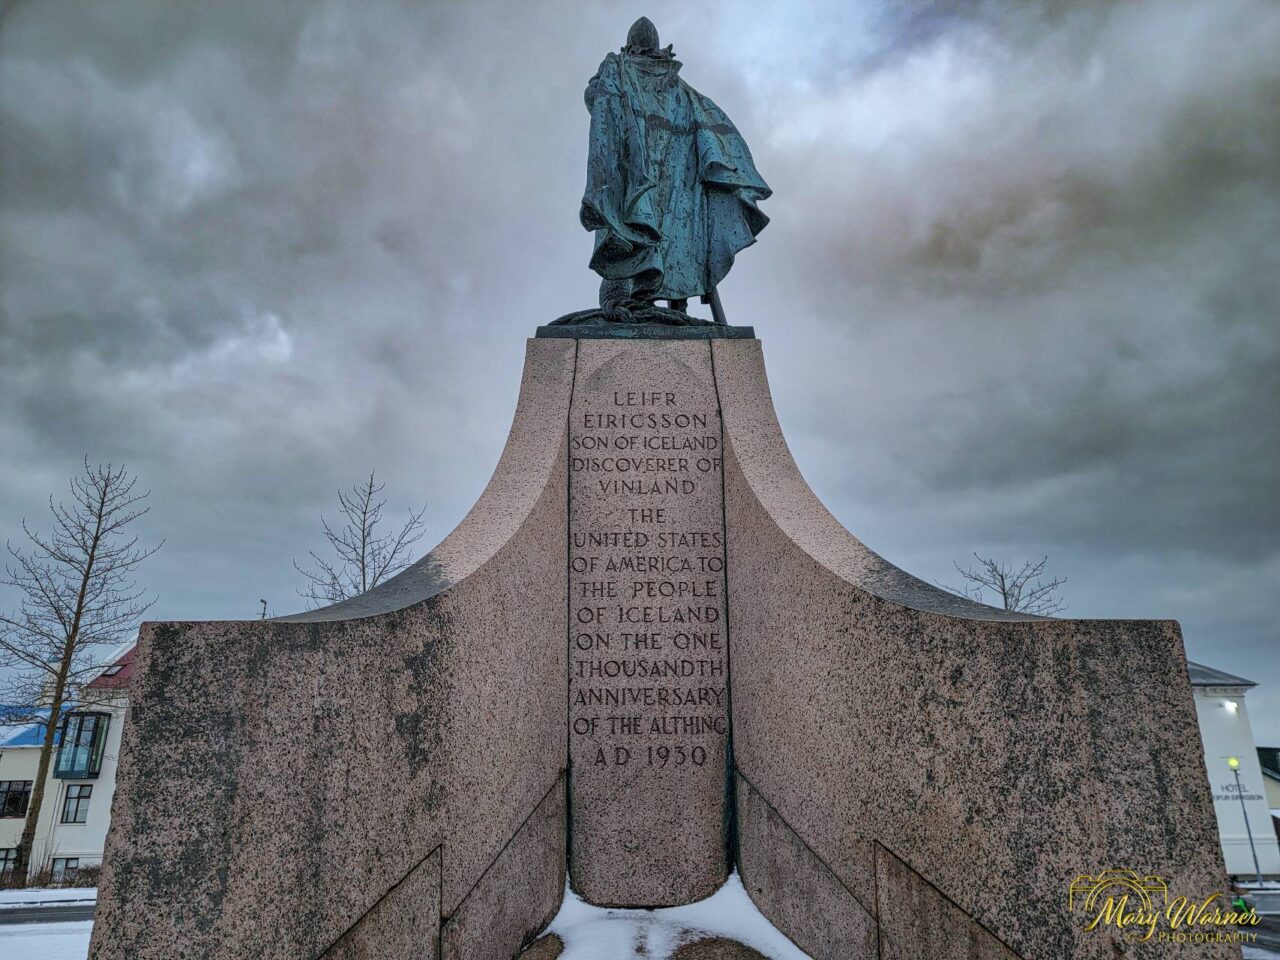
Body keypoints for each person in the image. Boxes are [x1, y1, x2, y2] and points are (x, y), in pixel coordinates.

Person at [580, 17, 771, 322]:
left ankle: (654, 301)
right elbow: (710, 126)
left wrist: (605, 77)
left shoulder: (623, 72)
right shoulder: (671, 86)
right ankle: (661, 301)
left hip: (639, 184)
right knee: (657, 235)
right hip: (658, 186)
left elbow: (593, 99)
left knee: (640, 234)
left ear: (630, 46)